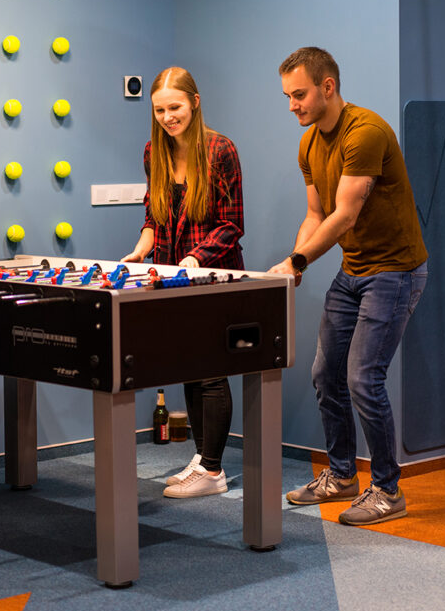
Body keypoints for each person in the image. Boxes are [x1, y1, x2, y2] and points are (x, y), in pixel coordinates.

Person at [271, 47, 428, 526]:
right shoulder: (308, 144)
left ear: (328, 87)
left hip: (395, 271)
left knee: (363, 377)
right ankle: (341, 475)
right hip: (355, 269)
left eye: (299, 95)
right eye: (288, 96)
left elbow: (345, 214)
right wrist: (296, 266)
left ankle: (387, 489)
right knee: (325, 374)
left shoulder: (366, 133)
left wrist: (298, 259)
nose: (292, 105)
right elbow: (315, 216)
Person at [122, 67, 244, 499]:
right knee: (190, 367)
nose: (168, 116)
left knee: (211, 371)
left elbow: (231, 226)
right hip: (170, 277)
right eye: (159, 110)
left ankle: (213, 470)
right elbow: (154, 216)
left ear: (194, 102)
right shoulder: (152, 152)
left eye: (175, 107)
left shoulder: (220, 149)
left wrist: (192, 259)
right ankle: (202, 456)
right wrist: (142, 248)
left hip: (211, 275)